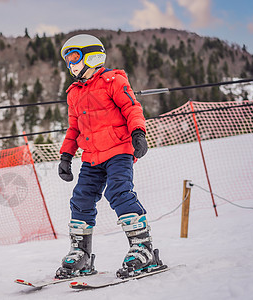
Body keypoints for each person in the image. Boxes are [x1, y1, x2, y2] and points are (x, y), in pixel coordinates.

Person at [55, 34, 164, 279]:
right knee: (81, 198)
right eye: (68, 61)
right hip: (92, 156)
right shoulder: (73, 93)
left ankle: (142, 248)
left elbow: (131, 107)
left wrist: (138, 132)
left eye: (75, 58)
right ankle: (81, 253)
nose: (71, 64)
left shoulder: (113, 80)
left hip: (118, 151)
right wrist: (65, 156)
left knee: (118, 191)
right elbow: (74, 128)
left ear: (92, 56)